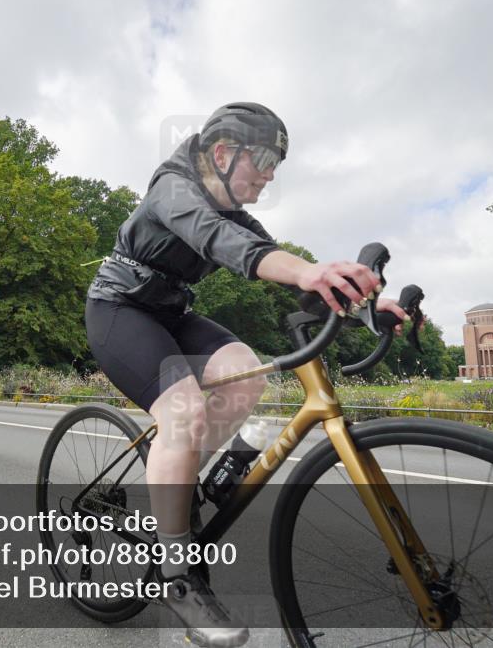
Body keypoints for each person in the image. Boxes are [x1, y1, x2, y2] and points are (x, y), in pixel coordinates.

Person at [84, 102, 414, 647]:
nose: (270, 175)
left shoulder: (235, 212)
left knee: (246, 373)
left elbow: (277, 261)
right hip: (119, 309)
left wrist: (363, 308)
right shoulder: (174, 186)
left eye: (275, 165)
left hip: (171, 311)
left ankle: (187, 473)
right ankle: (176, 578)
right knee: (184, 410)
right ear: (222, 153)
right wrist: (310, 269)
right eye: (263, 161)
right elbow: (217, 239)